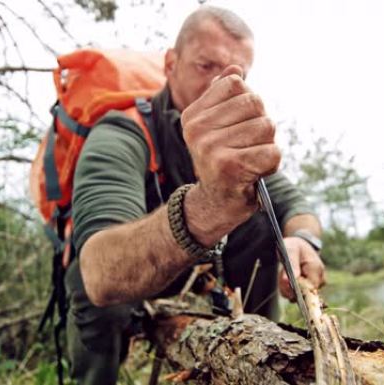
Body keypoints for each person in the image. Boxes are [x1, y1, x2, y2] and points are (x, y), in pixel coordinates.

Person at [65, 5, 326, 384]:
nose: (219, 87)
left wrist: (302, 239)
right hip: (134, 275)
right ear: (171, 63)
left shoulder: (230, 144)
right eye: (205, 67)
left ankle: (266, 361)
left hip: (199, 271)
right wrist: (208, 209)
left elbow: (293, 204)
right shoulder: (123, 133)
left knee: (263, 224)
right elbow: (99, 272)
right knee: (89, 291)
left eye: (235, 75)